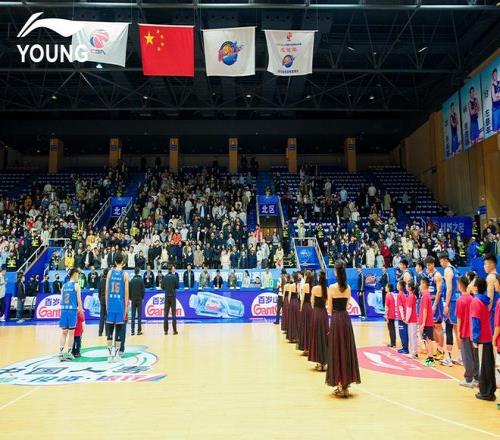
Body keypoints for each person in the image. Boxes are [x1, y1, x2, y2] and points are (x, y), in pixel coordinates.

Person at [326, 260, 361, 397]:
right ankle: (345, 384)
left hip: (336, 320)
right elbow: (346, 306)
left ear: (336, 271)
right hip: (345, 320)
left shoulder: (331, 287)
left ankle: (340, 383)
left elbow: (329, 308)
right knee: (345, 350)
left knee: (337, 350)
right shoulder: (348, 288)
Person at [470, 278, 496, 401]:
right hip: (487, 336)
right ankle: (490, 391)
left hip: (481, 338)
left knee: (483, 366)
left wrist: (475, 339)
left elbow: (476, 321)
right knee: (488, 365)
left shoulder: (476, 301)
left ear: (476, 287)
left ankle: (485, 392)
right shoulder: (484, 300)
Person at [105, 255, 129, 362]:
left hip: (111, 304)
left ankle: (110, 355)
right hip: (120, 306)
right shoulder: (125, 274)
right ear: (122, 262)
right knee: (119, 330)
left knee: (110, 331)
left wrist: (107, 305)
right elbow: (126, 294)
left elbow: (106, 291)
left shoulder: (110, 273)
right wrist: (126, 308)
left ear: (115, 262)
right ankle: (116, 355)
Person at [439, 252, 461, 367]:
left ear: (445, 260)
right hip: (458, 300)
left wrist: (446, 305)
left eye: (440, 261)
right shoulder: (455, 269)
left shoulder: (447, 270)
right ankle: (461, 357)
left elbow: (449, 289)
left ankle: (448, 357)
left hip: (452, 302)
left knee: (449, 327)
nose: (440, 263)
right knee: (457, 330)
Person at [456, 275, 478, 388]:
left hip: (465, 331)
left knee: (466, 356)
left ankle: (468, 379)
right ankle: (476, 378)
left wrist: (458, 331)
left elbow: (459, 318)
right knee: (474, 356)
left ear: (460, 285)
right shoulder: (472, 298)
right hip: (473, 331)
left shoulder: (460, 300)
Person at [58, 268, 82, 361]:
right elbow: (79, 299)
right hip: (72, 311)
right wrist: (80, 309)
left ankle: (60, 353)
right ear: (74, 274)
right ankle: (69, 353)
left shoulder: (64, 285)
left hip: (64, 310)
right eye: (78, 274)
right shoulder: (76, 285)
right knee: (71, 333)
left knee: (64, 332)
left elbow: (61, 299)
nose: (78, 276)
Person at [425, 256, 445, 360]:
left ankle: (441, 350)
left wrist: (435, 304)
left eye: (429, 265)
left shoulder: (437, 275)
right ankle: (437, 348)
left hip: (436, 304)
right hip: (430, 302)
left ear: (433, 264)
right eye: (427, 265)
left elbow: (439, 291)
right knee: (432, 327)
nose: (428, 267)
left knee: (438, 327)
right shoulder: (428, 274)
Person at [308, 271, 329, 371]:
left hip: (316, 313)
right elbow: (328, 303)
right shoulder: (327, 289)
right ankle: (324, 362)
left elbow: (312, 302)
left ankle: (318, 362)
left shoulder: (315, 288)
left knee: (316, 336)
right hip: (324, 314)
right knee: (324, 337)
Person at [418, 277, 435, 367]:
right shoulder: (427, 295)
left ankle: (431, 360)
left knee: (429, 340)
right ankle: (429, 358)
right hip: (427, 322)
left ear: (424, 284)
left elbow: (425, 309)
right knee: (428, 340)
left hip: (427, 322)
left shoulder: (425, 296)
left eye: (421, 284)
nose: (420, 286)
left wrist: (424, 323)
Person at [297, 271, 313, 354]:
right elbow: (312, 299)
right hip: (310, 307)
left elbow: (302, 298)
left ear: (306, 276)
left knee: (305, 326)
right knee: (310, 327)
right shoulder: (313, 286)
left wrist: (300, 307)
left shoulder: (305, 285)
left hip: (305, 307)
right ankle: (310, 347)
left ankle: (305, 348)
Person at [162, 265, 179, 335]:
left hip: (167, 297)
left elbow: (162, 287)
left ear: (167, 270)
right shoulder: (174, 277)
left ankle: (166, 331)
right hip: (172, 296)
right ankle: (174, 330)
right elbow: (177, 286)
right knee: (174, 314)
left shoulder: (165, 277)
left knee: (166, 314)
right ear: (172, 269)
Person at [484, 255, 499, 331]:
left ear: (492, 264)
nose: (484, 266)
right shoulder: (497, 276)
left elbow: (490, 298)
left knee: (491, 335)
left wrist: (487, 312)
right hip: (497, 310)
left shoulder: (490, 277)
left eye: (485, 264)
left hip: (493, 312)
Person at [129, 267, 145, 335]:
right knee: (139, 315)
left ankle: (132, 331)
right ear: (139, 272)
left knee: (133, 315)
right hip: (139, 299)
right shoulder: (141, 280)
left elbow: (129, 290)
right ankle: (139, 331)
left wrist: (130, 298)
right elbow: (143, 290)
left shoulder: (132, 280)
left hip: (133, 299)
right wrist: (143, 297)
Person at [286, 272, 301, 343]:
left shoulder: (291, 285)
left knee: (292, 319)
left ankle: (292, 337)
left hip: (292, 302)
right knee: (297, 319)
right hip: (296, 302)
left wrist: (289, 304)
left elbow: (289, 297)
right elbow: (298, 295)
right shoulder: (298, 285)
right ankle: (297, 336)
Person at [405, 281, 418, 359]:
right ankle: (412, 352)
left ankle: (413, 353)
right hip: (412, 319)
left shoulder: (411, 296)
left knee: (412, 336)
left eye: (407, 285)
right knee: (411, 336)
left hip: (412, 319)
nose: (406, 286)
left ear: (409, 288)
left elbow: (409, 309)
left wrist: (407, 319)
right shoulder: (412, 296)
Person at [396, 280, 408, 354]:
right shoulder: (404, 294)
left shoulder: (400, 294)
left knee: (402, 333)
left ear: (400, 286)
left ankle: (405, 348)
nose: (397, 286)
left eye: (398, 284)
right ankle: (405, 347)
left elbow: (400, 306)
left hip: (401, 317)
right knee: (405, 332)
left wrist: (403, 317)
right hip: (404, 316)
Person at [384, 283, 396, 348]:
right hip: (393, 314)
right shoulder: (392, 295)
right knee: (392, 329)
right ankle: (393, 342)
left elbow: (386, 307)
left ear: (388, 288)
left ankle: (392, 343)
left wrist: (386, 316)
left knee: (391, 329)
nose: (385, 288)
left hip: (389, 315)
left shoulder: (388, 296)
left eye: (386, 287)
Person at [98, 268, 108, 337]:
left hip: (102, 298)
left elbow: (99, 291)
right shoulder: (108, 280)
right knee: (107, 316)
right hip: (107, 300)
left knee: (102, 316)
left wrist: (100, 299)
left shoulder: (101, 280)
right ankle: (107, 332)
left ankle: (100, 332)